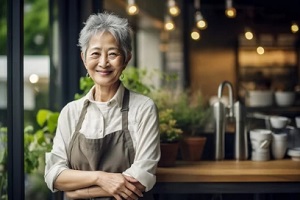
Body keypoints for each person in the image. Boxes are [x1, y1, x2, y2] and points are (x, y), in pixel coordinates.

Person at [44, 12, 160, 200]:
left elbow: (141, 179)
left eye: (113, 54)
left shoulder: (143, 108)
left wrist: (79, 192)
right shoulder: (70, 112)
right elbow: (54, 175)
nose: (103, 62)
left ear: (126, 58)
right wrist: (101, 178)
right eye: (95, 53)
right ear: (84, 58)